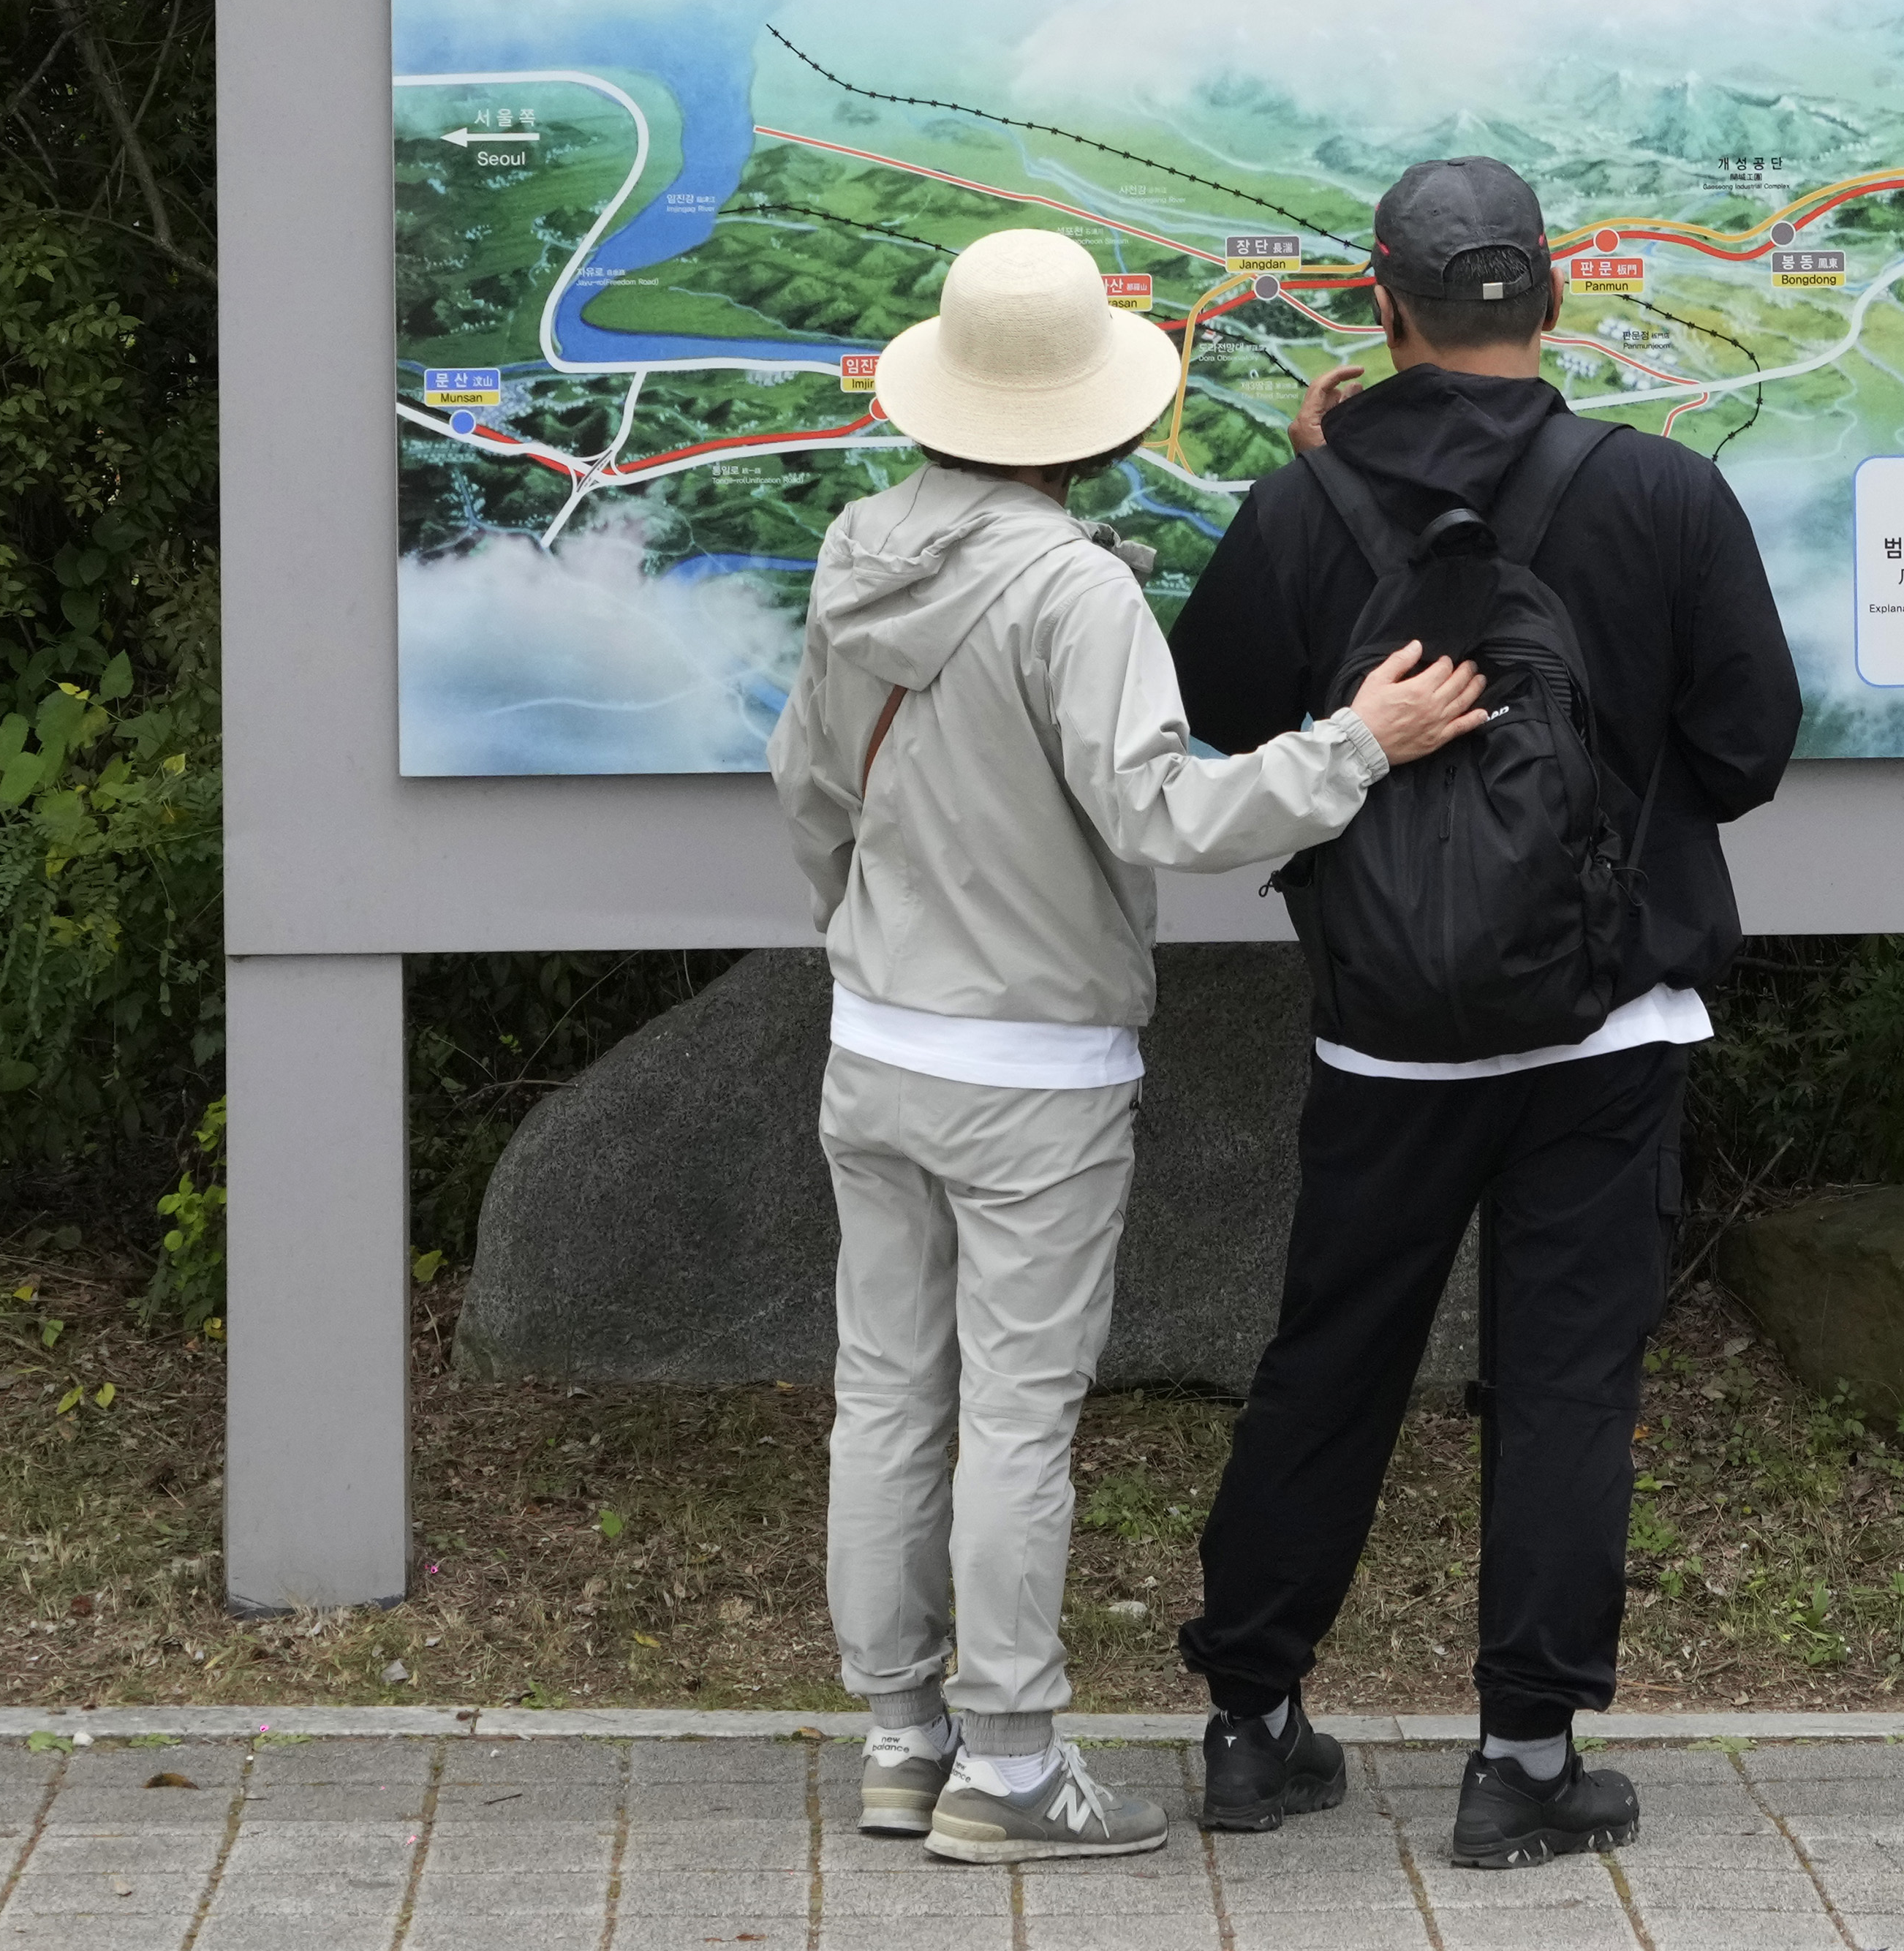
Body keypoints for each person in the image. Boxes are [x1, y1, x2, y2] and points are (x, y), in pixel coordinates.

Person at [769, 227, 1486, 1865]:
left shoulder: (858, 549)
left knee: (884, 1398)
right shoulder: (1072, 586)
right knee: (1017, 1416)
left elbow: (810, 791)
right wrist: (1354, 744)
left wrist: (867, 943)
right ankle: (1012, 1771)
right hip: (1030, 1069)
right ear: (1086, 414)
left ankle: (903, 1737)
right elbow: (1163, 811)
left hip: (875, 1041)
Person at [1167, 155, 1802, 1868]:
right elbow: (1746, 749)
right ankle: (1523, 1761)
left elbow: (1222, 712)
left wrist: (1326, 511)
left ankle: (1252, 1722)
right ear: (1559, 298)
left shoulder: (1305, 508)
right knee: (1568, 1382)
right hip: (1607, 1030)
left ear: (1384, 303)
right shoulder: (1664, 492)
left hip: (1383, 1028)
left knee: (1334, 1358)